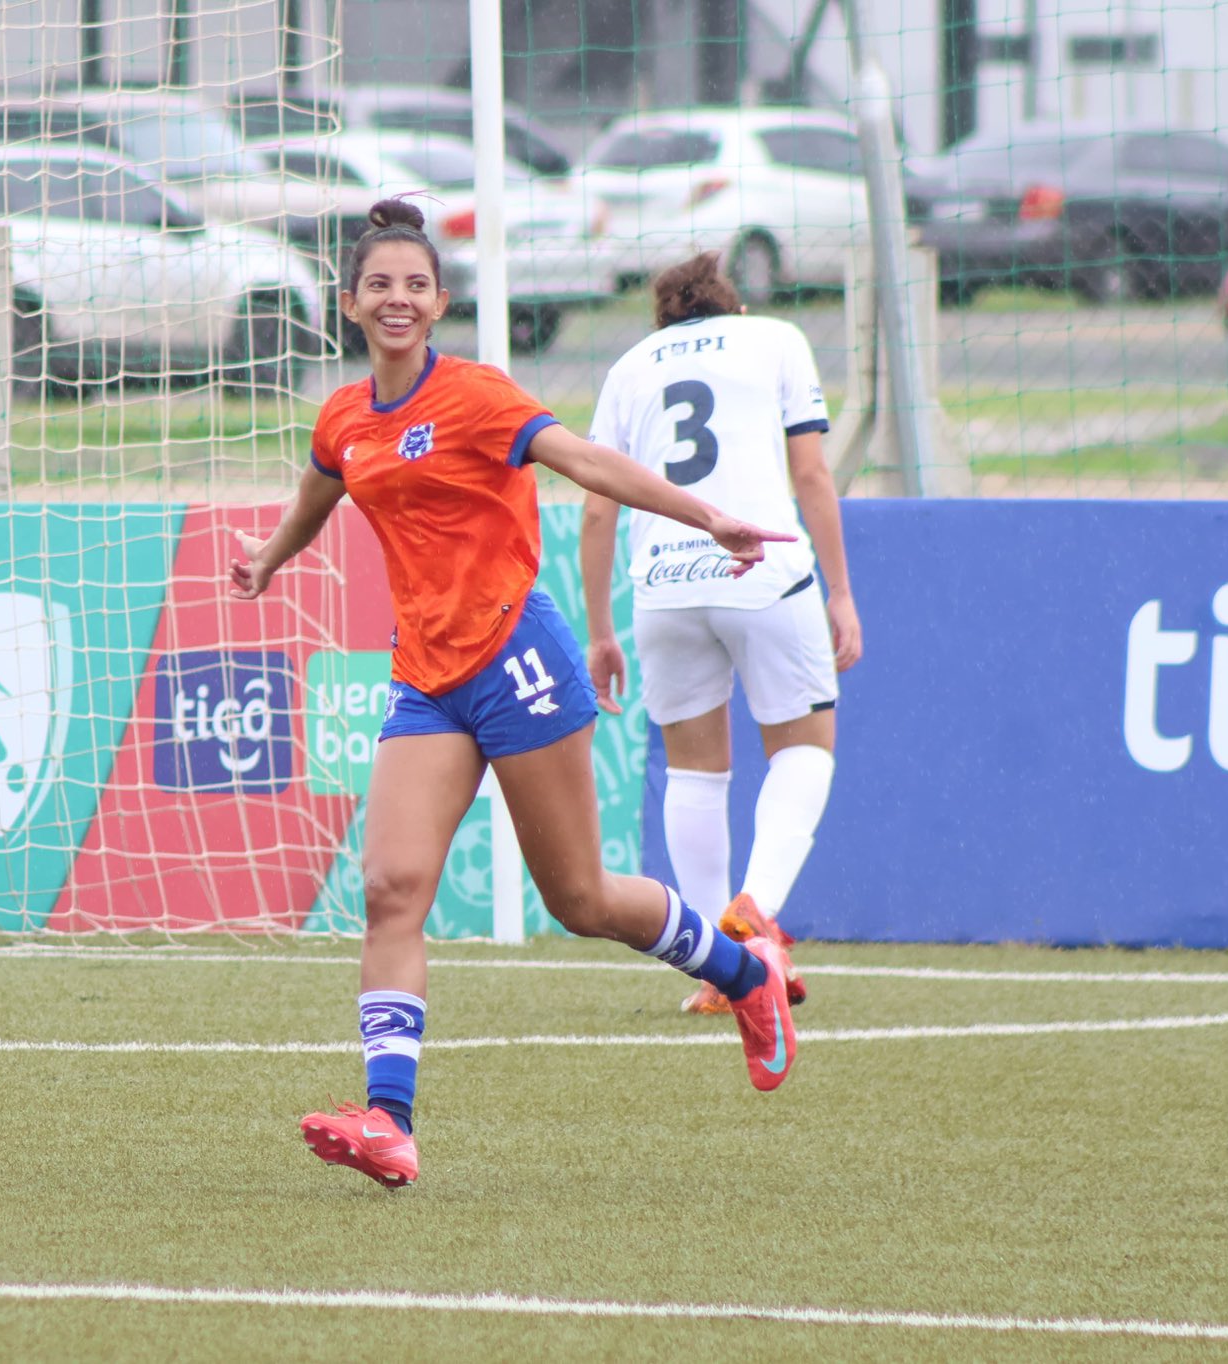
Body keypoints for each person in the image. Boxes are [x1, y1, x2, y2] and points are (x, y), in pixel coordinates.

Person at [229, 201, 802, 1191]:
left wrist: (704, 515)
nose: (398, 298)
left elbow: (585, 460)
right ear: (349, 304)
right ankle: (389, 1121)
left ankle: (745, 975)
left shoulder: (476, 396)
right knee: (389, 889)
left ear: (438, 304)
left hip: (515, 660)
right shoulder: (343, 417)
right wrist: (271, 558)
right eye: (380, 285)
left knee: (581, 899)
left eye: (416, 285)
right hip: (425, 680)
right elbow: (322, 488)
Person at [579, 251, 863, 1017]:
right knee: (804, 748)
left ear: (663, 319)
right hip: (760, 570)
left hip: (664, 587)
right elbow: (812, 474)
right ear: (732, 306)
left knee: (695, 773)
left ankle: (717, 965)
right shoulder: (774, 338)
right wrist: (840, 590)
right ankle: (756, 906)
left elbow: (599, 508)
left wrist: (601, 630)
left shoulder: (630, 368)